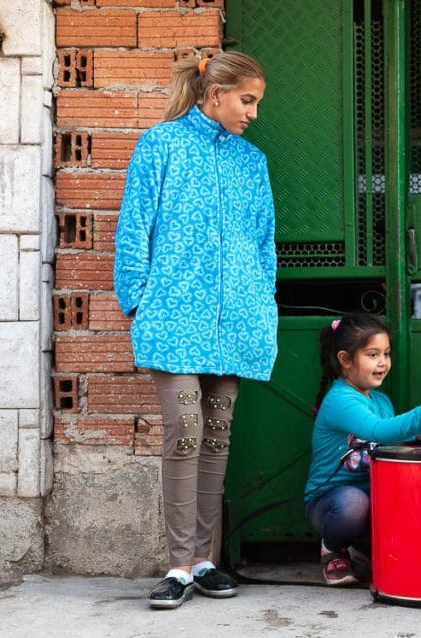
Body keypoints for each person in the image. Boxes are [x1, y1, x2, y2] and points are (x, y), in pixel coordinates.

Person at [113, 52, 275, 609]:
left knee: (216, 435)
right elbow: (135, 225)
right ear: (215, 92)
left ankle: (205, 560)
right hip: (174, 316)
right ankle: (178, 565)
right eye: (246, 100)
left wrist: (262, 304)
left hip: (235, 323)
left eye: (256, 102)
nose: (252, 113)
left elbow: (263, 243)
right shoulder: (159, 146)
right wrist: (137, 298)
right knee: (184, 426)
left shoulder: (252, 162)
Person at [305, 312, 421, 586]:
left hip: (376, 496)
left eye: (386, 353)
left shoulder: (381, 401)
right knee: (353, 503)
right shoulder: (340, 400)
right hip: (331, 503)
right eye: (372, 355)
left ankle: (366, 549)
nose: (382, 362)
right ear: (345, 360)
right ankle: (332, 549)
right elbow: (376, 431)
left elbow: (389, 439)